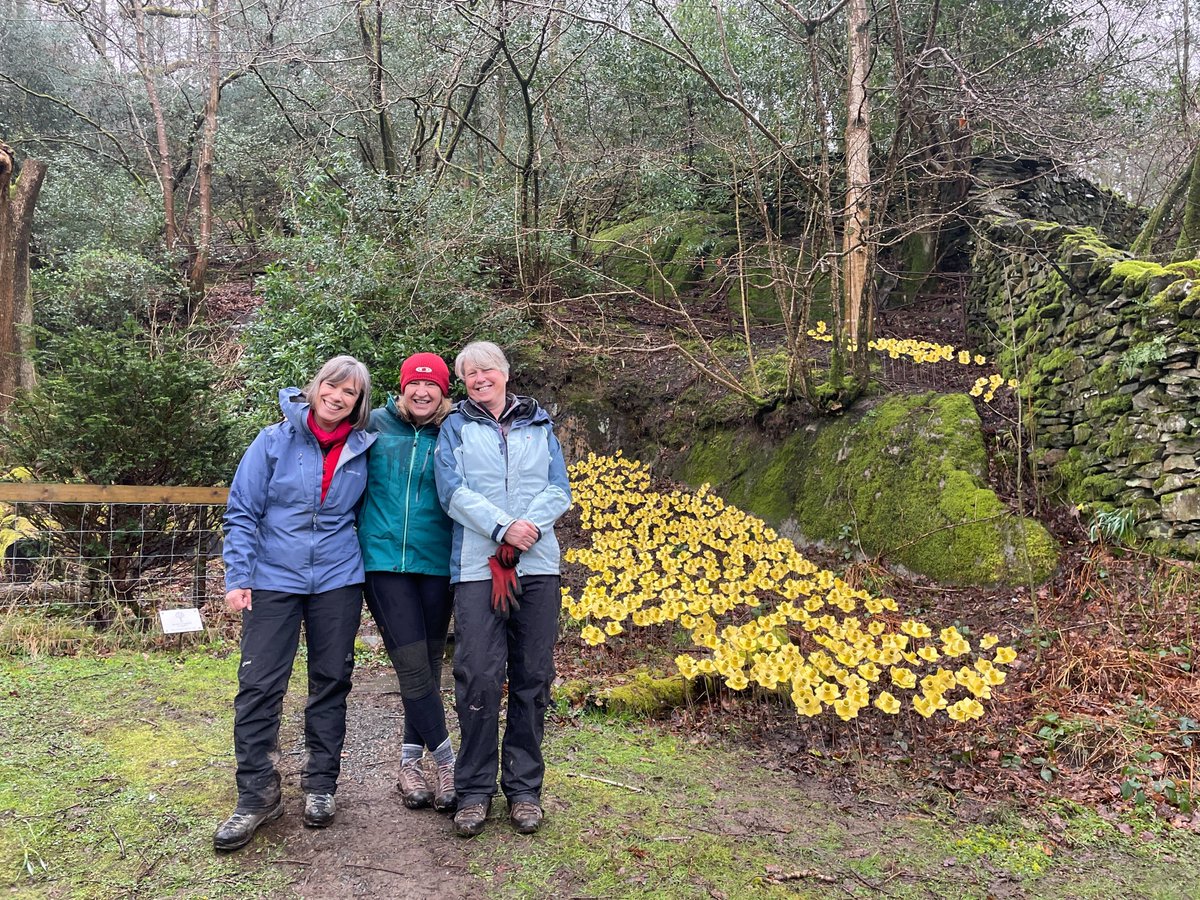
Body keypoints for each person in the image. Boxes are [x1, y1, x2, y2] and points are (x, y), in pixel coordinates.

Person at [214, 356, 375, 852]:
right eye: (331, 385)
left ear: (358, 402)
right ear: (315, 387)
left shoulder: (365, 447)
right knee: (259, 684)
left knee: (331, 680)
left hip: (337, 578)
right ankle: (257, 795)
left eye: (349, 392)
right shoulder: (272, 441)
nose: (337, 396)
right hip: (273, 578)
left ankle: (321, 785)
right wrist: (238, 576)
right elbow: (242, 511)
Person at [434, 341, 572, 837]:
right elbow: (451, 492)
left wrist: (525, 528)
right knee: (478, 676)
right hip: (476, 568)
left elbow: (560, 487)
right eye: (469, 373)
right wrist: (501, 528)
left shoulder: (540, 425)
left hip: (537, 567)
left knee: (533, 676)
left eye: (486, 369)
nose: (478, 378)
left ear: (505, 373)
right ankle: (472, 790)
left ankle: (524, 790)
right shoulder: (455, 427)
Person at [357, 352, 458, 813]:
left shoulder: (455, 430)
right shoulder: (373, 424)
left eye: (432, 386)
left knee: (429, 667)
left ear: (444, 391)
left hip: (438, 563)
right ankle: (449, 764)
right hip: (382, 563)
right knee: (413, 667)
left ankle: (408, 765)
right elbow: (323, 428)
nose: (422, 392)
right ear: (401, 388)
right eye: (414, 385)